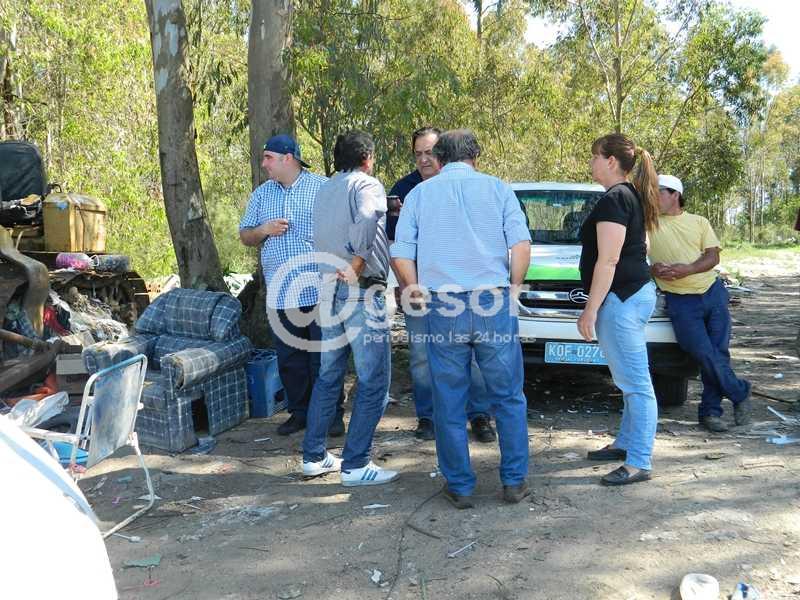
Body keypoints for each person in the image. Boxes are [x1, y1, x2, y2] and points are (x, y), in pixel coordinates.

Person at [391, 129, 532, 508]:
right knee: (508, 396)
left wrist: (414, 289)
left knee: (448, 399)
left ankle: (460, 485)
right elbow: (520, 245)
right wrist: (514, 288)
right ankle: (514, 481)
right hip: (493, 301)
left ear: (439, 159)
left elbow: (400, 252)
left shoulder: (420, 195)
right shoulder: (499, 189)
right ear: (475, 156)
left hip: (443, 305)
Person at [301, 130, 399, 487]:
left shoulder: (325, 189)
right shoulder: (367, 184)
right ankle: (355, 464)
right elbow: (368, 218)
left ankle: (314, 456)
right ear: (367, 158)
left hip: (328, 288)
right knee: (374, 380)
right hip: (360, 291)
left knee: (329, 375)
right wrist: (357, 262)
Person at [388, 127, 495, 443]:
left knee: (472, 356)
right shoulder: (403, 190)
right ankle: (428, 417)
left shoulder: (469, 186)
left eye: (430, 152)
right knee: (422, 355)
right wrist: (405, 284)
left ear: (444, 154)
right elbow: (395, 243)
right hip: (418, 288)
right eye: (418, 153)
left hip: (464, 290)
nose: (424, 159)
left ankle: (479, 415)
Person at [240, 134, 344, 437]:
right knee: (290, 359)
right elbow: (245, 236)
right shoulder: (262, 195)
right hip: (280, 292)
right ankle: (300, 413)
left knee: (324, 357)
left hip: (319, 289)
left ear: (288, 158)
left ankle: (331, 415)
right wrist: (264, 229)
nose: (264, 164)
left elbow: (342, 232)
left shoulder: (323, 188)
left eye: (268, 158)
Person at [578, 133, 659, 486]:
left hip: (622, 299)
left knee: (637, 385)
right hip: (632, 295)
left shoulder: (615, 199)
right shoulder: (629, 196)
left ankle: (639, 461)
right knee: (628, 381)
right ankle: (626, 443)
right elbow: (642, 246)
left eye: (594, 156)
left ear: (611, 161)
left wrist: (590, 310)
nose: (591, 162)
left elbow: (608, 260)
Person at [648, 174, 751, 432]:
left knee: (718, 353)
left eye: (659, 191)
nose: (653, 196)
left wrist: (689, 269)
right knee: (703, 353)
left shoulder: (699, 222)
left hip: (712, 293)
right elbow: (637, 257)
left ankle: (710, 413)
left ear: (675, 194)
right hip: (679, 301)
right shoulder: (647, 224)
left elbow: (713, 256)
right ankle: (740, 392)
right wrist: (653, 269)